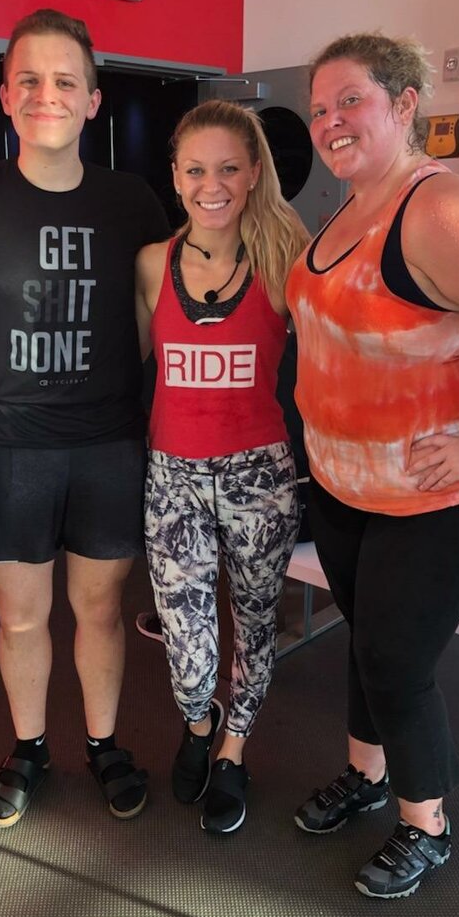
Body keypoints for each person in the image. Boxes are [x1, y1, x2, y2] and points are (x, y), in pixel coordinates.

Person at [286, 32, 459, 898]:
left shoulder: (436, 210)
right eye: (319, 109)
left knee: (396, 661)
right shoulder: (348, 210)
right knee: (367, 645)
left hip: (439, 495)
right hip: (346, 489)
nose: (331, 120)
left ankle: (425, 822)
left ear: (403, 105)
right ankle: (366, 777)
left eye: (350, 100)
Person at [0, 9, 170, 826]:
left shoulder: (131, 200)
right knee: (21, 616)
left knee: (100, 610)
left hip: (108, 445)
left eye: (66, 81)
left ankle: (104, 745)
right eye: (28, 80)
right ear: (5, 96)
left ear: (92, 101)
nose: (47, 94)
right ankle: (29, 747)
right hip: (13, 447)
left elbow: (153, 311)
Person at [136, 99, 308, 833]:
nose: (213, 186)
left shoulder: (286, 257)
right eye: (197, 170)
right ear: (176, 176)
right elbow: (127, 369)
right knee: (185, 631)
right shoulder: (153, 263)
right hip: (173, 474)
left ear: (254, 173)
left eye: (229, 169)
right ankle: (198, 721)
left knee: (256, 619)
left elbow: (337, 355)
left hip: (258, 475)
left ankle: (234, 749)